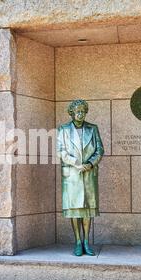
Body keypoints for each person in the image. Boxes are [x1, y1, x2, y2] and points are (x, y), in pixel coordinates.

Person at [56, 99, 104, 256]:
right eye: (77, 111)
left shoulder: (93, 128)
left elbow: (99, 149)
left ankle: (86, 242)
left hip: (89, 173)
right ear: (71, 113)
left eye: (83, 111)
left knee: (87, 210)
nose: (80, 114)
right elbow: (61, 151)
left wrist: (90, 163)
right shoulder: (63, 129)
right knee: (75, 209)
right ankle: (77, 241)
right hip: (72, 174)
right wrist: (76, 163)